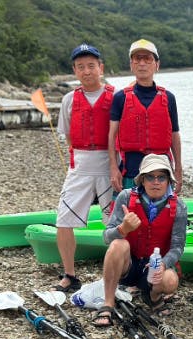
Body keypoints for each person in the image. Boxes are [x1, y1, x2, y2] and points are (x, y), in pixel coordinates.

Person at [93, 154, 188, 327]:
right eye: (150, 177)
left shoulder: (179, 206)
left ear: (168, 181)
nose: (156, 182)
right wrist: (123, 229)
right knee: (117, 244)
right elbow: (106, 237)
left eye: (161, 177)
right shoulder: (125, 197)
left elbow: (177, 247)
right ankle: (108, 303)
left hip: (154, 266)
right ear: (142, 180)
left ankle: (152, 296)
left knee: (171, 281)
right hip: (128, 265)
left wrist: (164, 264)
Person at [53, 43, 114, 292]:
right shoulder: (69, 99)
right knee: (63, 219)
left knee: (114, 221)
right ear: (74, 71)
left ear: (100, 68)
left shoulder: (115, 96)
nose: (86, 71)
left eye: (91, 66)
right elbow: (67, 135)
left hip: (110, 164)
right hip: (80, 164)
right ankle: (69, 274)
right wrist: (78, 157)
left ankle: (116, 274)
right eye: (81, 67)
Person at [108, 38, 183, 198]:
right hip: (130, 169)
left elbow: (175, 135)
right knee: (127, 217)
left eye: (147, 59)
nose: (142, 63)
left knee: (162, 218)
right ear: (131, 64)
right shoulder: (120, 98)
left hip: (161, 172)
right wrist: (114, 168)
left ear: (157, 64)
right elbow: (112, 135)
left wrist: (178, 169)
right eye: (137, 59)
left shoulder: (169, 98)